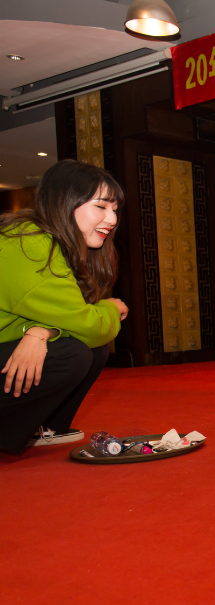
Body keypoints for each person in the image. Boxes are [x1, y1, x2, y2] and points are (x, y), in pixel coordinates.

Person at [0, 160, 130, 455]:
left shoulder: (54, 242)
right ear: (64, 203)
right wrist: (111, 308)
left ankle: (45, 426)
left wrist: (41, 331)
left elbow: (64, 315)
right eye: (101, 206)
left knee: (89, 350)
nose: (112, 219)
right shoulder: (29, 245)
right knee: (72, 354)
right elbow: (89, 325)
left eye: (115, 209)